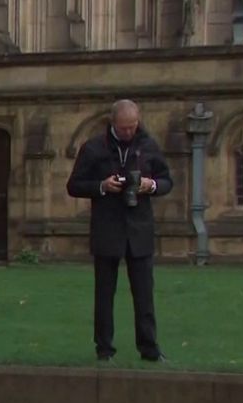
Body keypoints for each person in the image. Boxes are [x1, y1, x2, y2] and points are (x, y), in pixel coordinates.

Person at [66, 99, 173, 362]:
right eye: (124, 127)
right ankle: (104, 349)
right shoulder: (92, 148)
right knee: (104, 296)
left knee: (145, 296)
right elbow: (74, 185)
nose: (129, 132)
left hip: (140, 230)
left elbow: (168, 180)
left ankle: (149, 349)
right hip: (107, 228)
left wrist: (152, 185)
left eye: (133, 126)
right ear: (112, 123)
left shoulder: (148, 145)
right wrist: (101, 187)